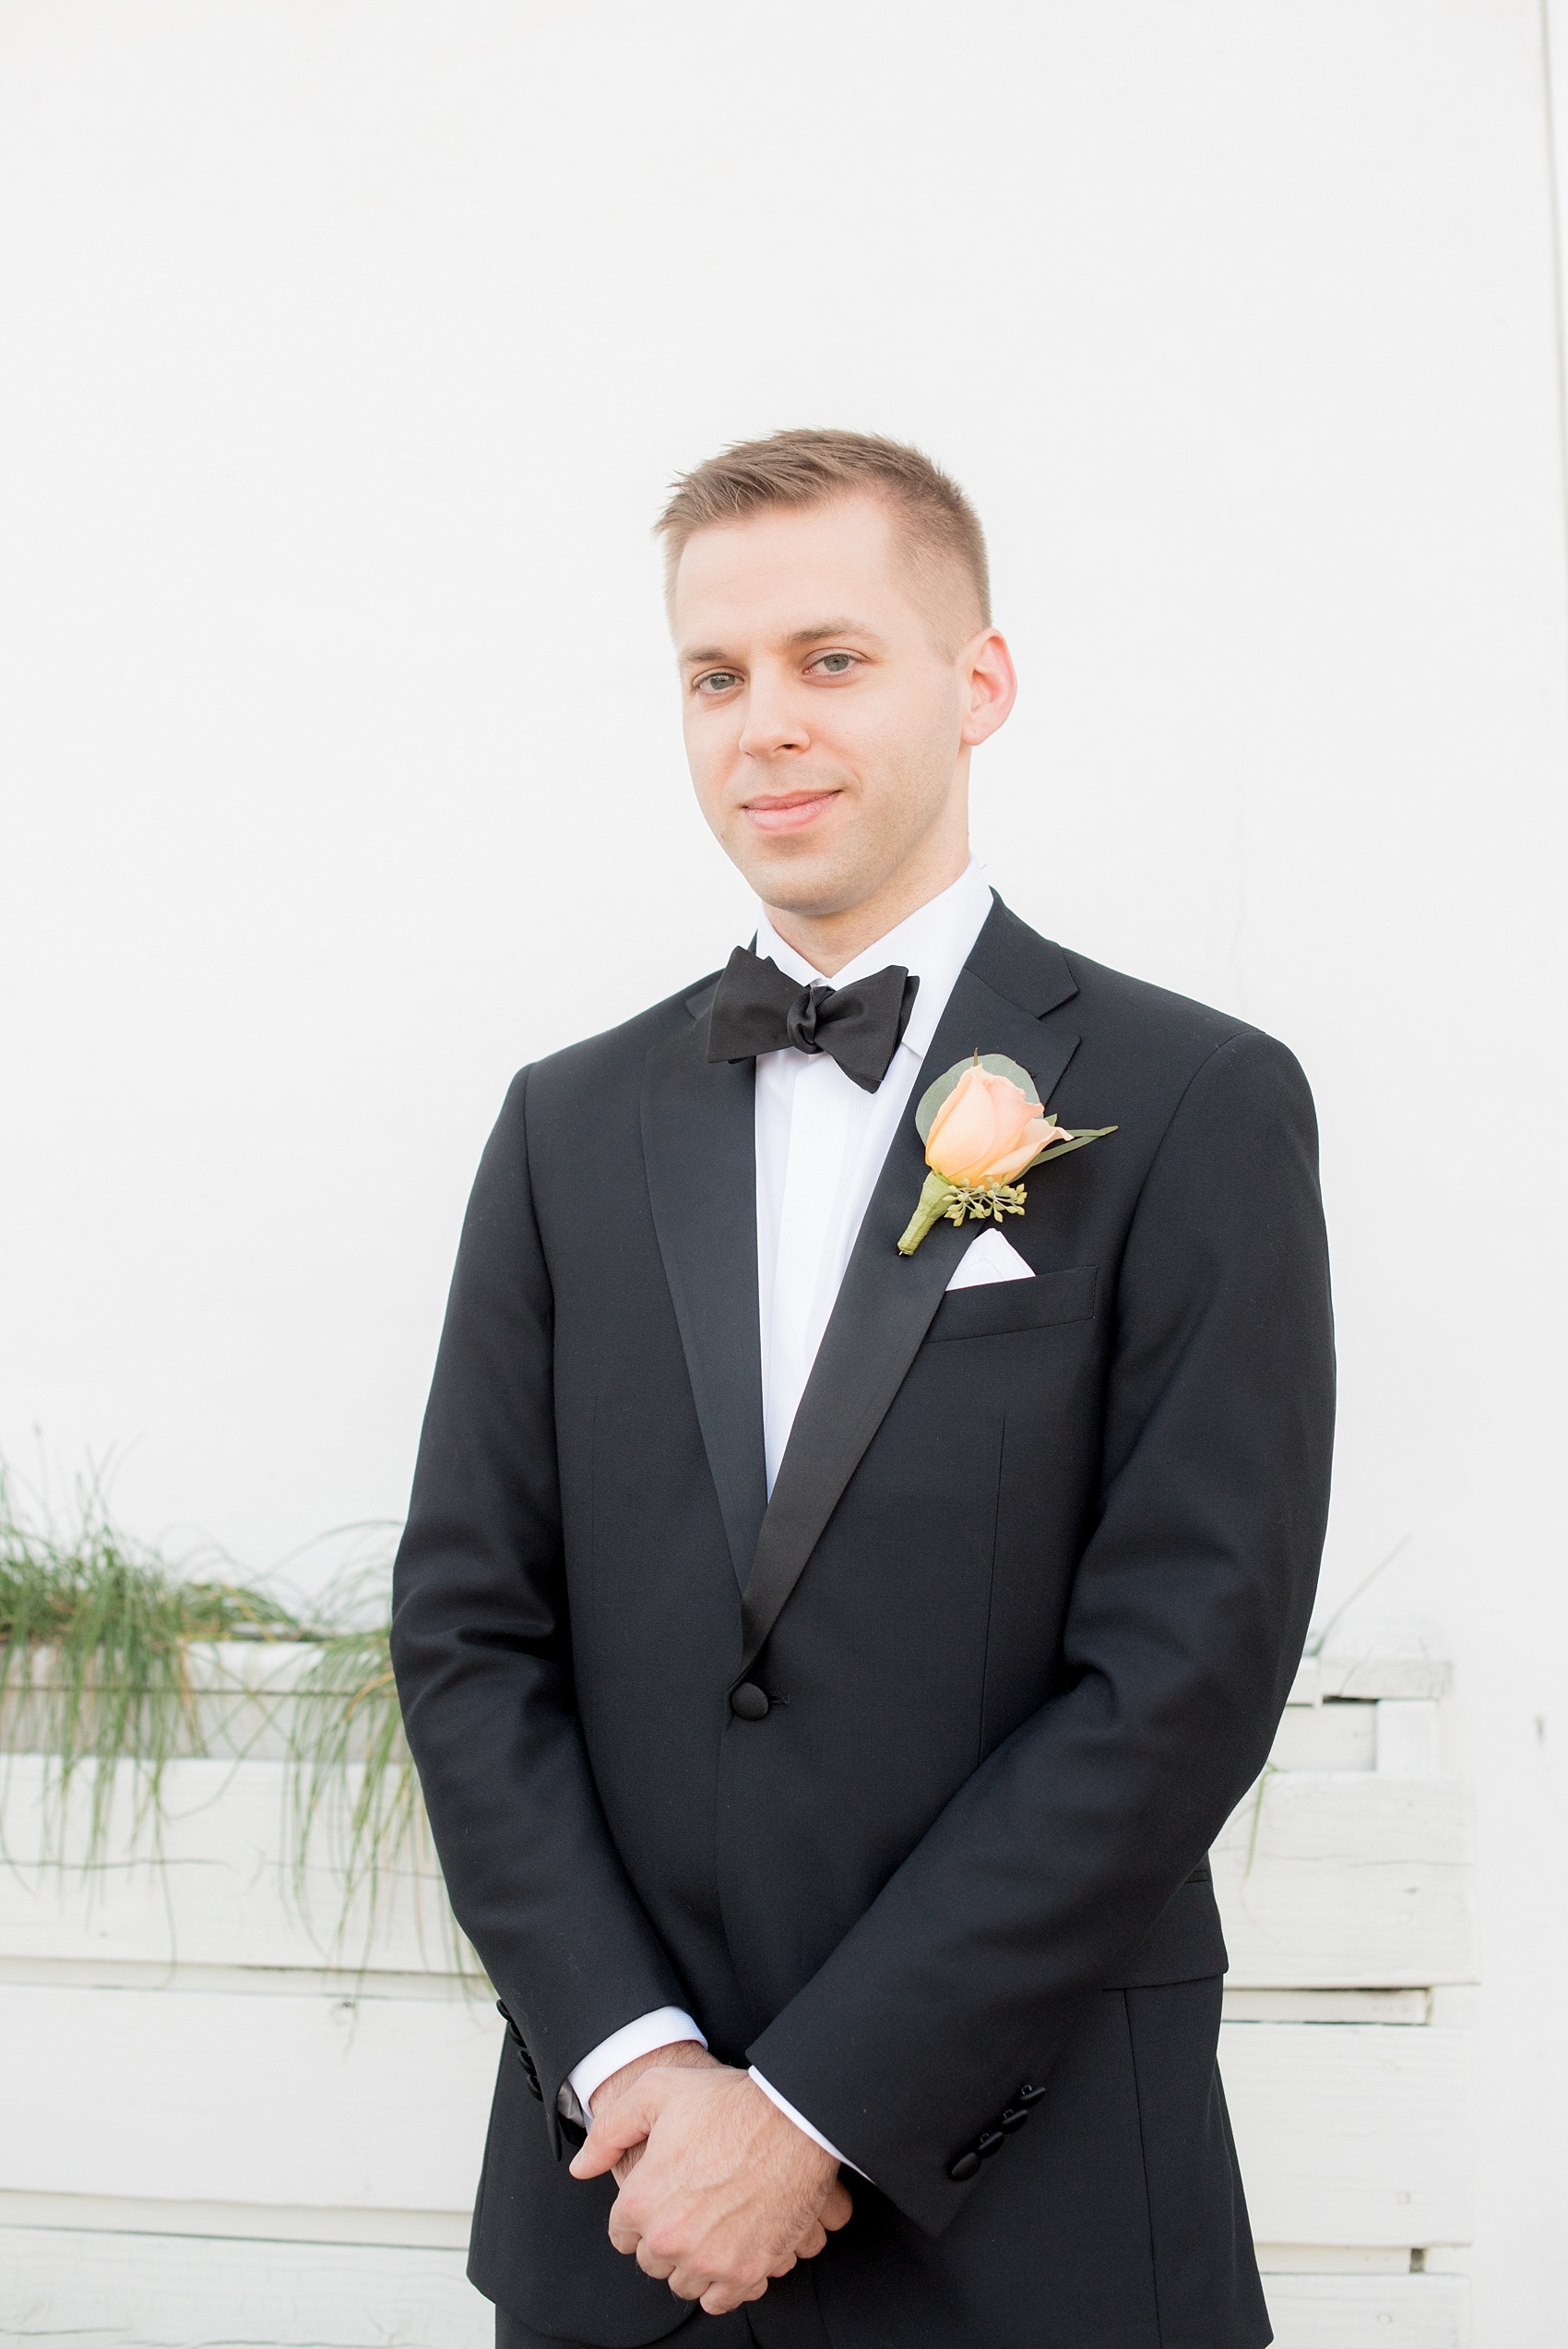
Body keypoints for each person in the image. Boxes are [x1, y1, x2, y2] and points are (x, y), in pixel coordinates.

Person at [390, 428, 1335, 2349]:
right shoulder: (565, 1126)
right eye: (714, 676)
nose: (767, 727)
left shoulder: (1193, 1104)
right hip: (626, 2216)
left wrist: (811, 2113)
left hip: (1041, 2211)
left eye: (832, 658)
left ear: (976, 682)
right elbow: (470, 1626)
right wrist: (639, 2064)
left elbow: (1182, 1668)